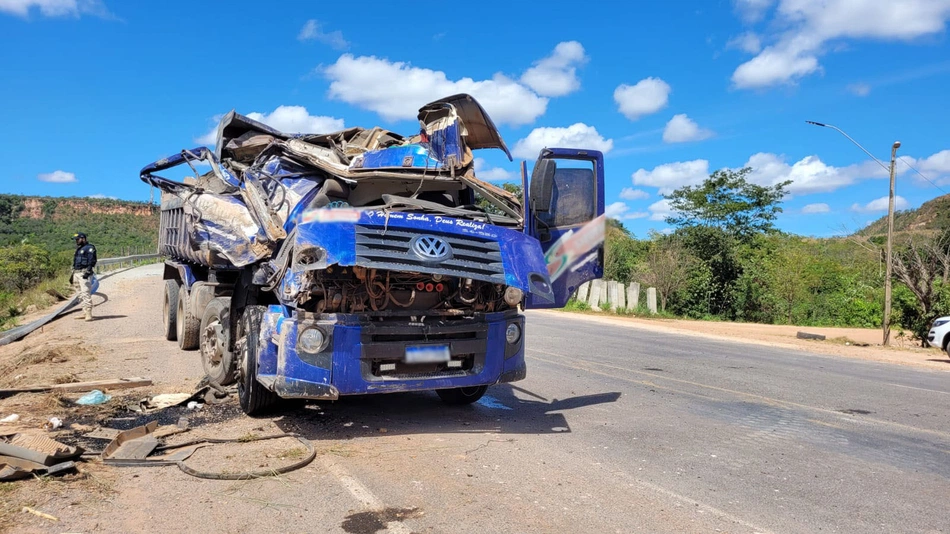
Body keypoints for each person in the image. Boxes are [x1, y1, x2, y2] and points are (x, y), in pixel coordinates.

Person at [71, 232, 97, 321]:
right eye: (76, 240)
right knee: (79, 294)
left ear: (83, 238)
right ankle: (84, 312)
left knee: (85, 293)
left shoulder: (89, 248)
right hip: (76, 273)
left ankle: (89, 313)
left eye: (78, 239)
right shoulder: (78, 249)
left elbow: (92, 261)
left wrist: (88, 272)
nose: (76, 241)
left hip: (84, 273)